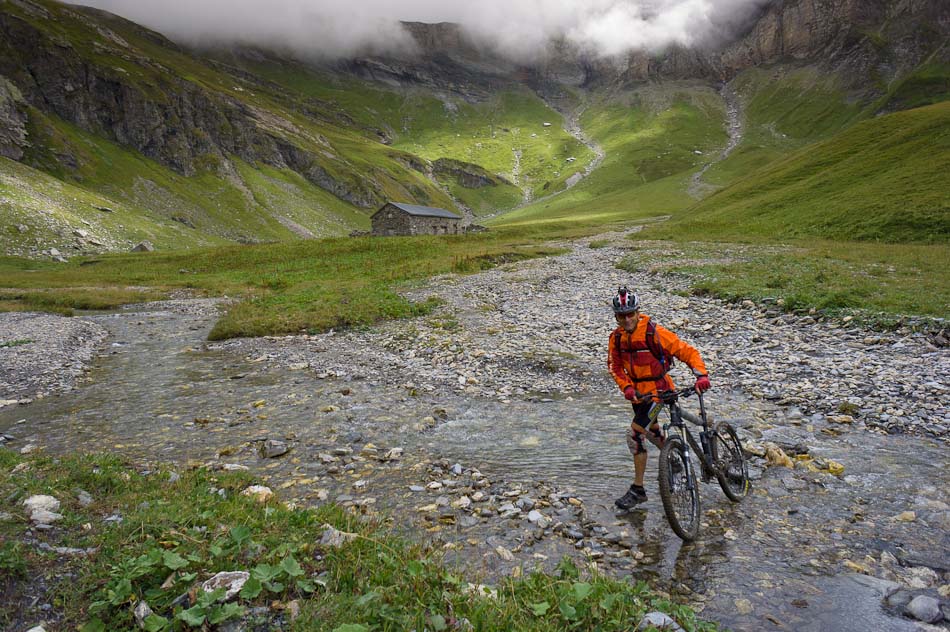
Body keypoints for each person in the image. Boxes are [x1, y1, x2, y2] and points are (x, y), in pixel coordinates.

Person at [608, 286, 711, 510]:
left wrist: (701, 374)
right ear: (616, 316)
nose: (626, 320)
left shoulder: (654, 332)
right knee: (652, 431)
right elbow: (614, 367)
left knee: (635, 434)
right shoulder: (615, 339)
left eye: (630, 314)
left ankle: (638, 489)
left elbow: (687, 352)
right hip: (639, 397)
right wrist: (626, 387)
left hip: (659, 393)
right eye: (621, 316)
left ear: (637, 312)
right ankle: (673, 460)